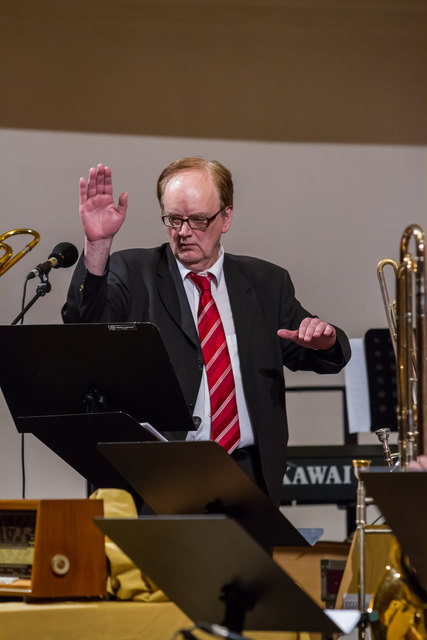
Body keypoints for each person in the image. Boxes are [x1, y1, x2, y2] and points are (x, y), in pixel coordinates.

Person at [63, 158, 351, 506]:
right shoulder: (132, 272)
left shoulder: (266, 283)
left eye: (198, 219)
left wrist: (326, 339)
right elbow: (83, 332)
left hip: (247, 475)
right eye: (173, 219)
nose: (184, 231)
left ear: (225, 217)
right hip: (159, 475)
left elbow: (316, 352)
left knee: (246, 564)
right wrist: (97, 247)